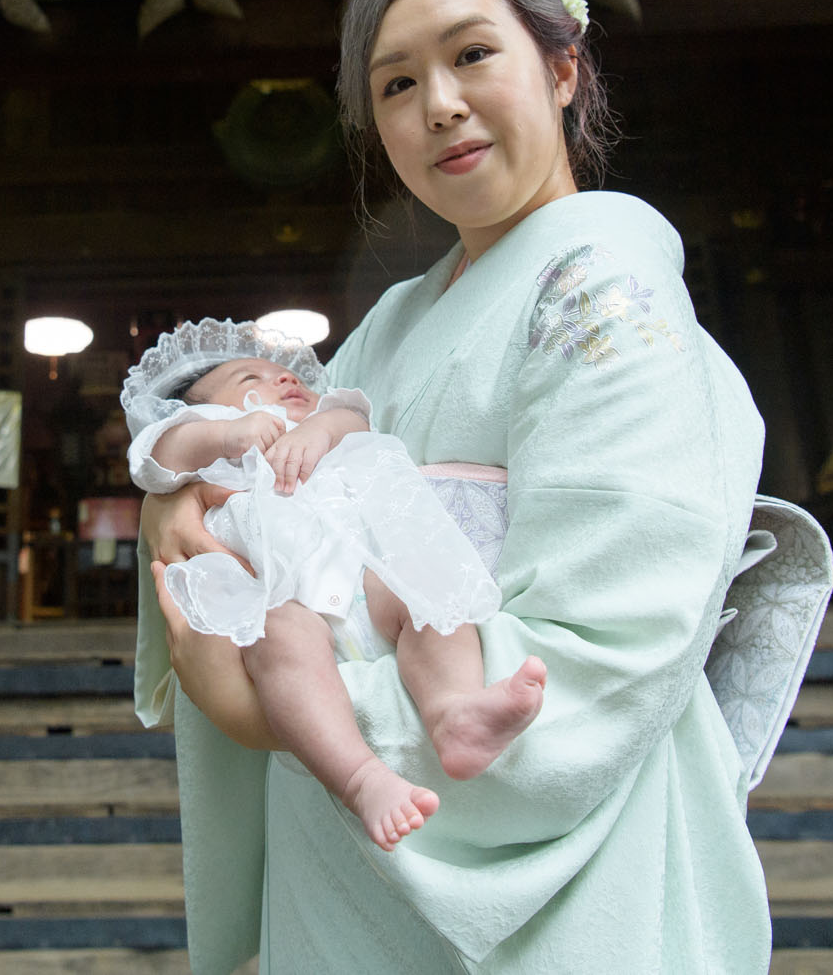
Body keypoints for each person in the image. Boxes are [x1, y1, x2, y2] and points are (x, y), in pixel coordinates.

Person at [133, 0, 772, 973]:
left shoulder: (603, 288)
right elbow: (265, 506)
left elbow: (607, 640)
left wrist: (297, 719)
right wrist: (176, 498)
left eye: (472, 54)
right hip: (340, 862)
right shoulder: (384, 327)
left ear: (562, 68)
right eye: (394, 84)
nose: (438, 105)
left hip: (566, 872)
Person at [120, 320, 546, 850]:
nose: (280, 381)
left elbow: (352, 419)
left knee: (427, 600)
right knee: (283, 644)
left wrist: (318, 430)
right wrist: (226, 434)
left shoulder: (328, 424)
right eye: (251, 376)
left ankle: (454, 709)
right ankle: (361, 778)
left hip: (369, 580)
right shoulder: (212, 446)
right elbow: (159, 454)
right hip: (286, 601)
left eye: (286, 374)